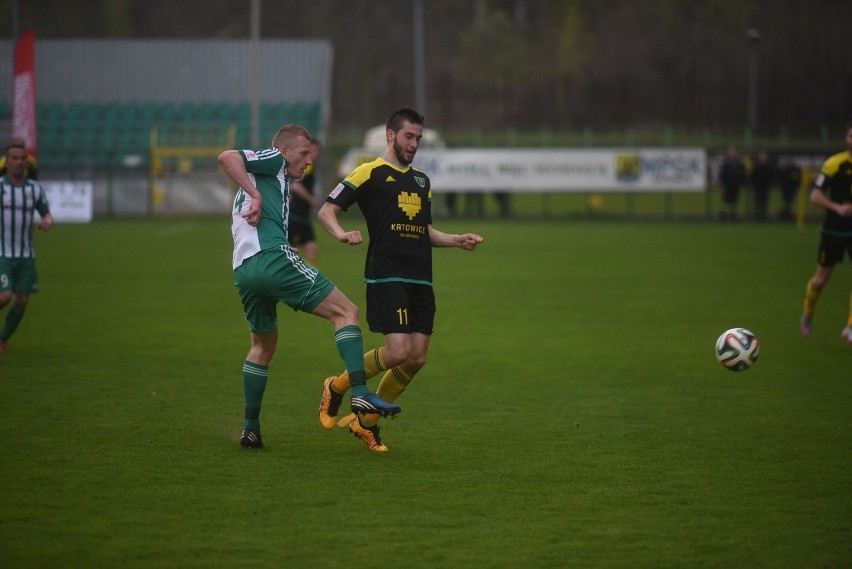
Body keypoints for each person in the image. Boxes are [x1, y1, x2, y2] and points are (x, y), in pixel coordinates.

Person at [219, 124, 401, 449]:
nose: (309, 161)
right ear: (285, 150)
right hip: (272, 260)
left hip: (245, 271)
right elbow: (228, 156)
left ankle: (250, 427)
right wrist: (257, 194)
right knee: (346, 311)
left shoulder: (274, 180)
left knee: (263, 346)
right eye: (304, 154)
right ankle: (359, 394)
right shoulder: (274, 159)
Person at [316, 108, 484, 451]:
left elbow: (423, 231)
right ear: (391, 136)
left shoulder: (422, 181)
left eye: (419, 138)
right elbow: (327, 209)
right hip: (386, 275)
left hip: (421, 278)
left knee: (417, 357)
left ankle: (366, 424)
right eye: (409, 136)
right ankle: (337, 386)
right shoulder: (370, 172)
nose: (415, 144)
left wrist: (455, 240)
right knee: (398, 351)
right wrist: (339, 234)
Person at [799, 120, 852, 343]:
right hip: (834, 230)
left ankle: (850, 327)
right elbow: (815, 196)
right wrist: (838, 207)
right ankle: (808, 313)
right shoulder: (834, 164)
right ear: (846, 138)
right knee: (821, 280)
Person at [0, 141, 53, 353]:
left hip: (26, 255)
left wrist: (48, 220)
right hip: (2, 252)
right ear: (6, 162)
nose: (19, 162)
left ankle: (2, 340)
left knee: (21, 300)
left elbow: (46, 213)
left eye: (23, 159)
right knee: (5, 296)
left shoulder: (35, 189)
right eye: (14, 158)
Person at [288, 140, 322, 265]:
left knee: (312, 249)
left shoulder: (311, 168)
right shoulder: (306, 167)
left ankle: (308, 280)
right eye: (312, 151)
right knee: (288, 253)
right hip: (294, 216)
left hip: (304, 218)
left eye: (318, 151)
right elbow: (295, 187)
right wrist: (311, 199)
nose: (315, 154)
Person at [718, 146, 745, 221]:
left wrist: (741, 184)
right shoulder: (725, 163)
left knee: (735, 199)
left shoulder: (738, 163)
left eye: (732, 152)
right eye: (730, 152)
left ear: (735, 153)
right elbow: (722, 174)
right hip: (727, 184)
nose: (731, 153)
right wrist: (721, 184)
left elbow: (741, 175)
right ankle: (724, 214)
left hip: (735, 184)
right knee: (726, 199)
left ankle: (733, 214)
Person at [750, 150, 775, 221]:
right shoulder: (756, 167)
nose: (762, 158)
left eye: (764, 157)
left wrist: (770, 184)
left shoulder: (769, 167)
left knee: (765, 201)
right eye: (761, 157)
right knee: (758, 201)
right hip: (758, 187)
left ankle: (764, 215)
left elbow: (772, 176)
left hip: (766, 187)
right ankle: (758, 215)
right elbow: (753, 177)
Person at [777, 154, 801, 221]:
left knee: (790, 201)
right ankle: (784, 213)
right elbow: (779, 178)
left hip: (791, 188)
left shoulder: (795, 169)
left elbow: (798, 179)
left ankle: (788, 213)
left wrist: (795, 185)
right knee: (784, 201)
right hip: (784, 188)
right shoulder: (783, 169)